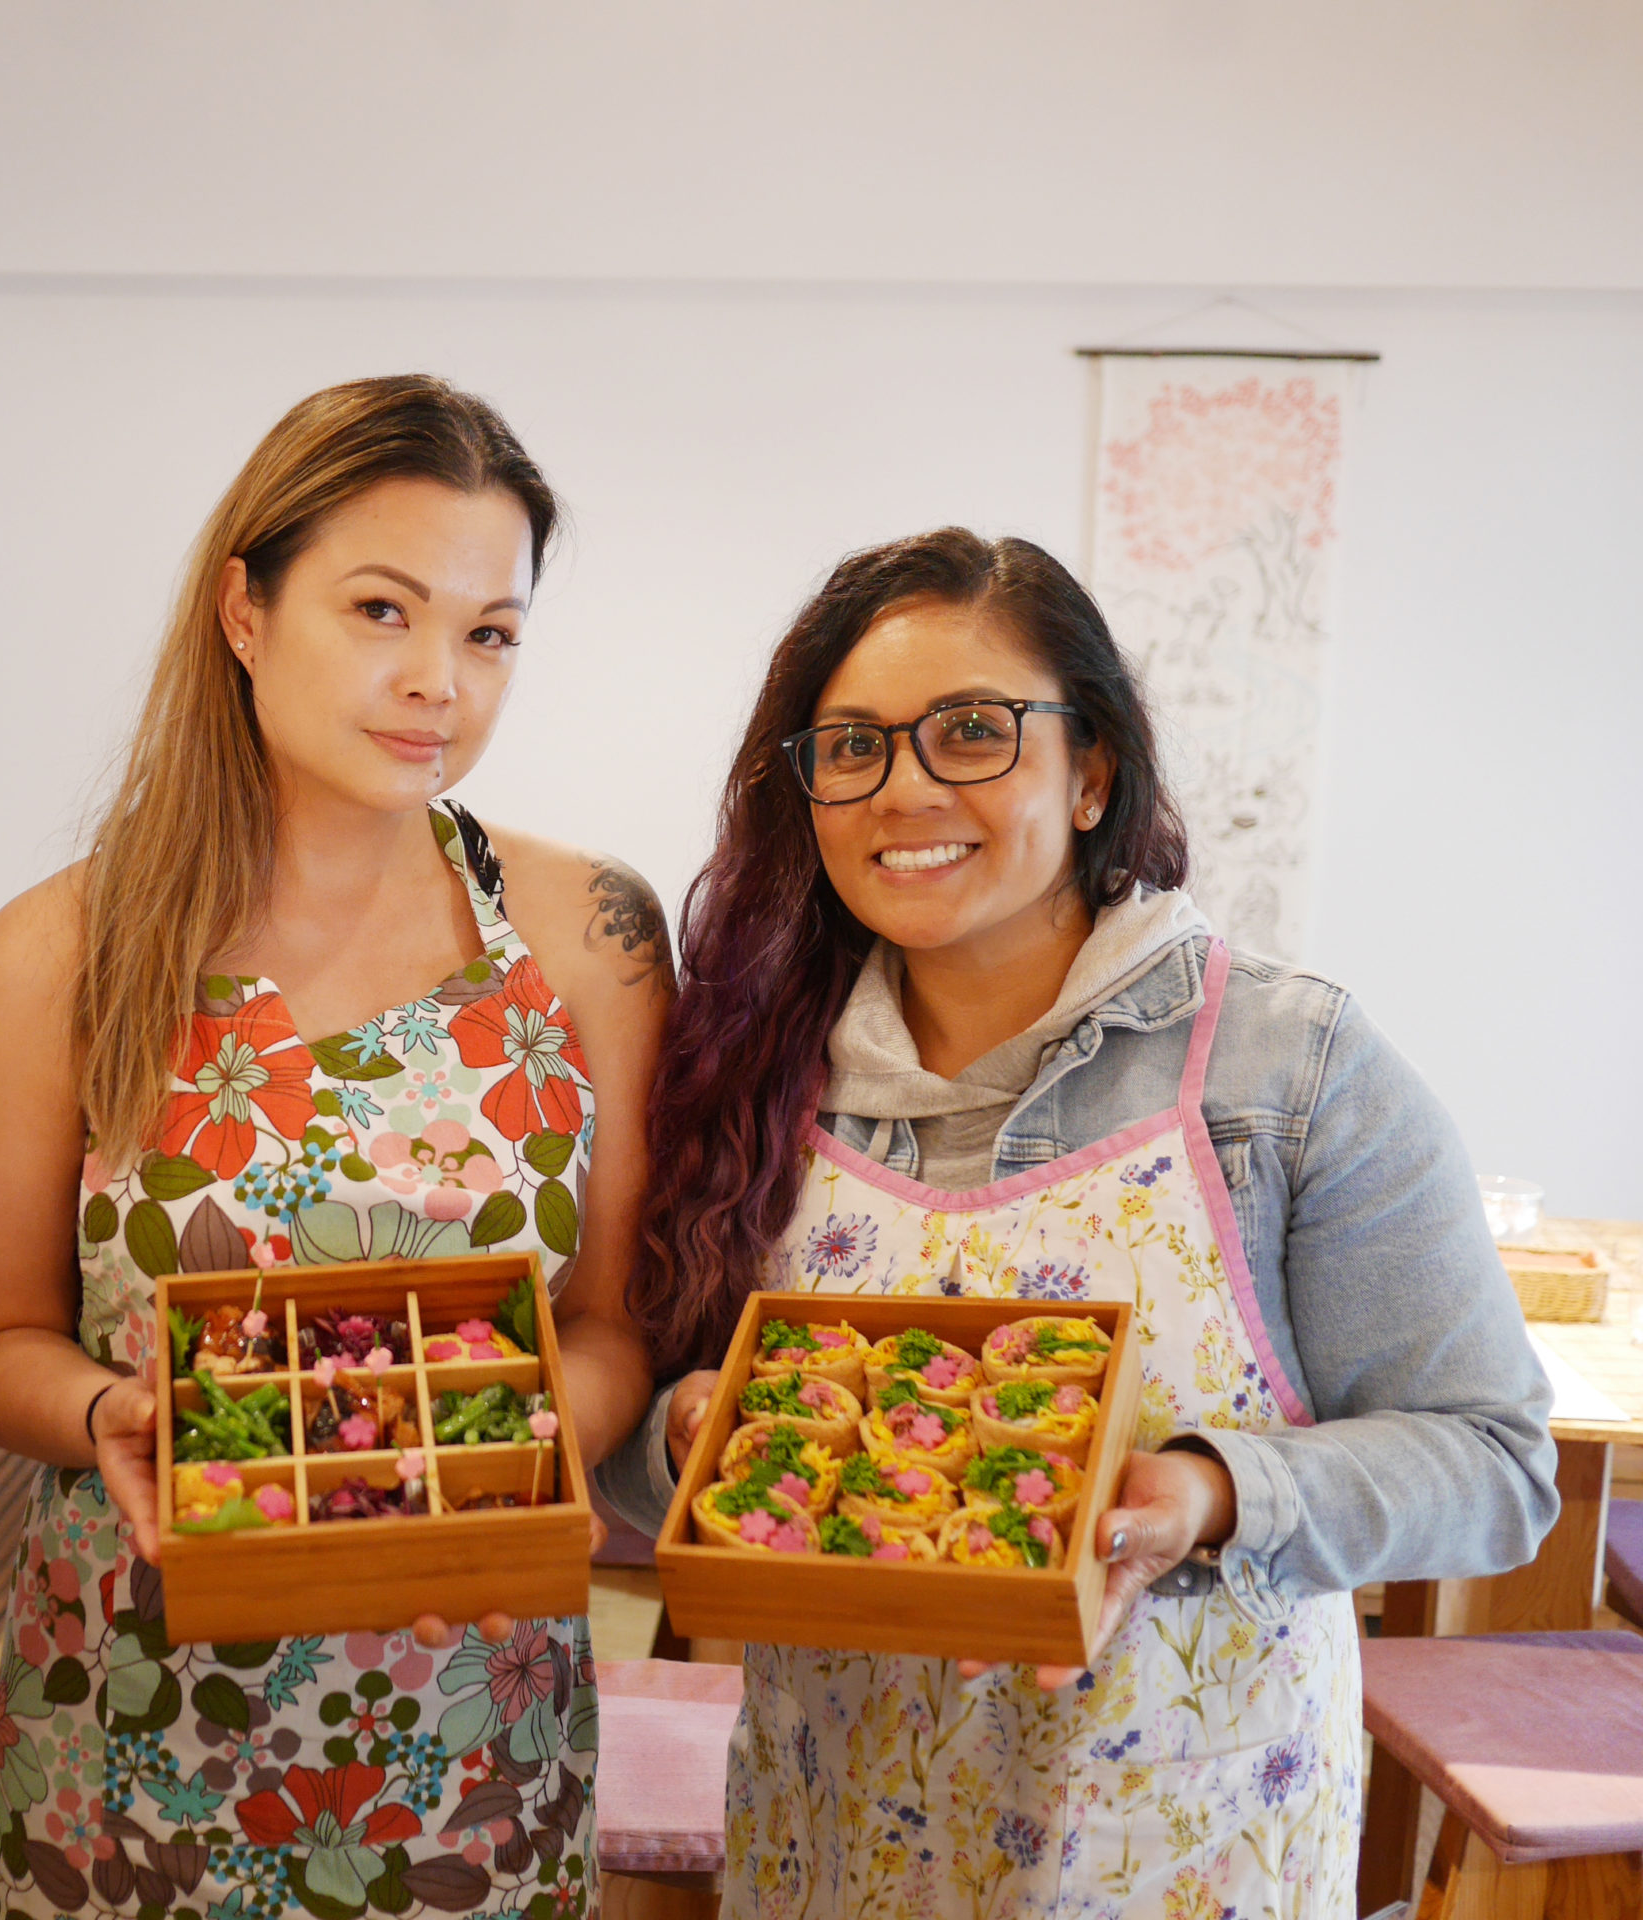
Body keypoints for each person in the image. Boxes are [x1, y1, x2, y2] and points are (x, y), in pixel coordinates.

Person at [602, 528, 1557, 1917]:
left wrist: (1211, 1492)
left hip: (1187, 1842)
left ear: (1093, 770)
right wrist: (698, 1436)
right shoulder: (748, 1066)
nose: (907, 785)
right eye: (852, 745)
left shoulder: (1288, 1067)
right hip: (837, 1840)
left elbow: (1492, 1461)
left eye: (974, 733)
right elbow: (634, 1440)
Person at [0, 375, 665, 1920]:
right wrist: (107, 1413)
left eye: (489, 633)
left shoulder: (588, 935)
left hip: (473, 1746)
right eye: (382, 610)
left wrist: (494, 1450)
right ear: (246, 610)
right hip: (129, 1737)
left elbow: (615, 1322)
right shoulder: (60, 950)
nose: (439, 683)